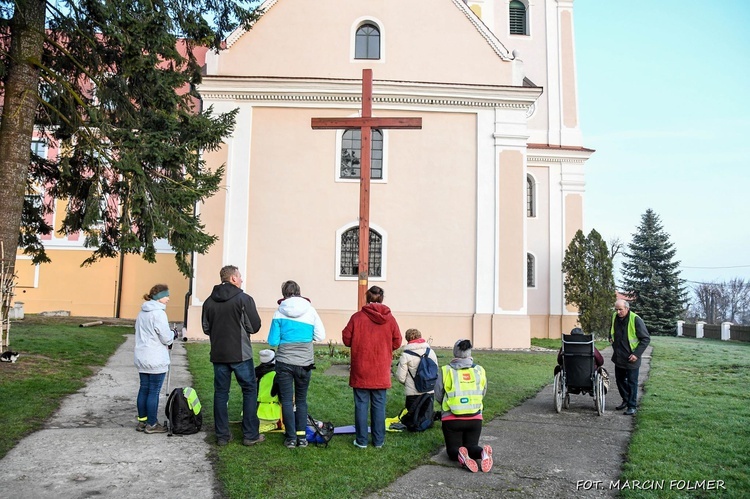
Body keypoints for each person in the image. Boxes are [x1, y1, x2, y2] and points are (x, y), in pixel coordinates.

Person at [202, 265, 264, 446]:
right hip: (241, 355)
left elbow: (206, 328)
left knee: (221, 393)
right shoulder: (244, 299)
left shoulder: (208, 301)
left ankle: (222, 436)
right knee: (249, 390)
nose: (242, 279)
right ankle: (250, 434)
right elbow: (254, 326)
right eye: (240, 276)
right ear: (233, 279)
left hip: (219, 354)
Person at [267, 280, 326, 449]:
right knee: (301, 400)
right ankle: (302, 438)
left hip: (284, 361)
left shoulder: (279, 312)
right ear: (299, 292)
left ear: (284, 294)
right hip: (305, 363)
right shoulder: (311, 310)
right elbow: (320, 335)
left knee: (286, 401)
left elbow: (272, 340)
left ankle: (291, 438)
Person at [342, 286, 402, 449]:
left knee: (361, 405)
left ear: (367, 298)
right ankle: (378, 440)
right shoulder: (390, 319)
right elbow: (397, 341)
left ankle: (361, 440)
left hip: (361, 367)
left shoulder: (357, 318)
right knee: (379, 405)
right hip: (380, 368)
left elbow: (347, 339)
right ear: (381, 299)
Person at [434, 339, 493, 473]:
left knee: (452, 450)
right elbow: (483, 391)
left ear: (455, 352)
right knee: (472, 446)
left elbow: (438, 394)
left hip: (451, 419)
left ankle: (461, 456)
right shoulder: (479, 370)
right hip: (475, 417)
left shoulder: (445, 370)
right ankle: (482, 453)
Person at [134, 284, 174, 434]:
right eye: (166, 296)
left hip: (142, 356)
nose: (168, 299)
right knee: (154, 391)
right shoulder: (158, 314)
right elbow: (165, 337)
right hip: (155, 357)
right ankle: (152, 424)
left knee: (144, 388)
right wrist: (173, 335)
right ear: (159, 296)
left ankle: (142, 421)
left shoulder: (142, 312)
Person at [610, 299, 651, 416]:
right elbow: (611, 330)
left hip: (632, 357)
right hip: (619, 356)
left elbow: (645, 339)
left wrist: (636, 354)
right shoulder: (614, 317)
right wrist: (610, 338)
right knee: (620, 381)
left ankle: (632, 406)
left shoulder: (635, 319)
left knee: (632, 382)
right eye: (616, 309)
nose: (618, 312)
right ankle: (626, 400)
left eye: (620, 310)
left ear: (627, 308)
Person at [395, 328, 438, 426]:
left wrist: (408, 383)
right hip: (429, 389)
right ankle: (428, 422)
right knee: (426, 412)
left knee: (413, 417)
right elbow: (435, 370)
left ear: (407, 339)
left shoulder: (406, 355)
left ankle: (414, 425)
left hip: (413, 392)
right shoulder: (431, 352)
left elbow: (401, 377)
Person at [255, 349, 282, 433]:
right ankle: (274, 425)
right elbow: (283, 397)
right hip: (269, 415)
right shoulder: (276, 374)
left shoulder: (253, 371)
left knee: (250, 427)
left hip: (251, 411)